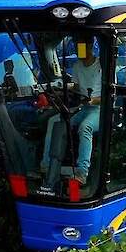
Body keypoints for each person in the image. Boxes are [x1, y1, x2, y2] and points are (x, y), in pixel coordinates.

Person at [40, 41, 102, 187]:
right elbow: (77, 87)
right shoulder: (77, 66)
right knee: (54, 120)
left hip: (100, 109)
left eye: (82, 47)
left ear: (90, 47)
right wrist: (60, 90)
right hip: (83, 107)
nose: (79, 51)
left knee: (85, 127)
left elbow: (111, 93)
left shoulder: (102, 66)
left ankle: (81, 172)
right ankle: (46, 165)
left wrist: (93, 100)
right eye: (78, 47)